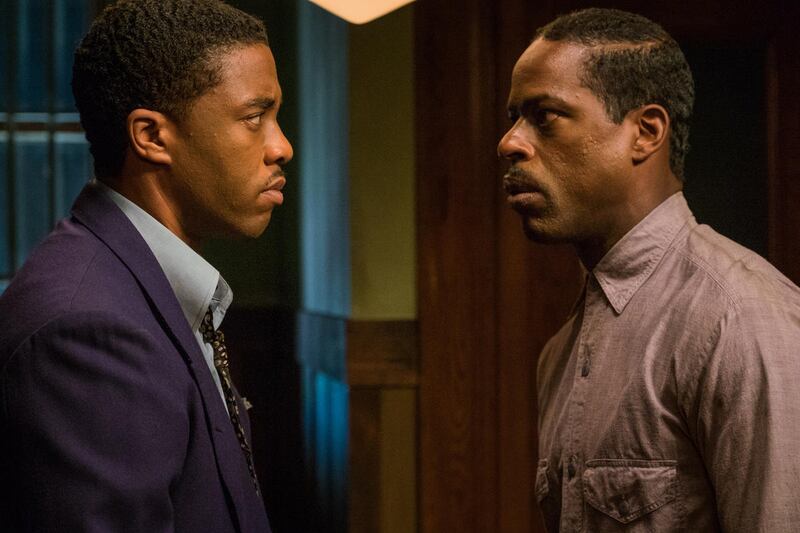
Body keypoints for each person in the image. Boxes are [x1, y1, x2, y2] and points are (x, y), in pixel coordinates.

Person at [498, 8, 800, 532]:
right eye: (514, 119)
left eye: (544, 116)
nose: (510, 143)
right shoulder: (560, 352)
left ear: (645, 132)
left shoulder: (741, 319)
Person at [0, 0, 292, 531]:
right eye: (254, 118)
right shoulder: (86, 329)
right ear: (152, 137)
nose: (282, 147)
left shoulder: (147, 281)